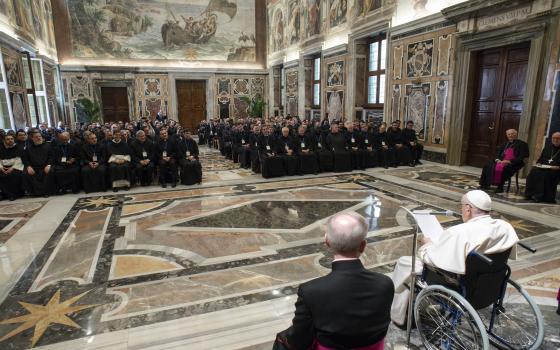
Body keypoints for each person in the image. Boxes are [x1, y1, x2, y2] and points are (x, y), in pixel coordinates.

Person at [390, 190, 519, 327]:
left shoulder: (460, 232)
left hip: (460, 285)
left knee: (405, 263)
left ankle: (397, 315)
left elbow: (432, 259)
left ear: (468, 209)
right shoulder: (505, 226)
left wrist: (428, 245)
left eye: (462, 206)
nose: (461, 209)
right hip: (490, 286)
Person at [274, 212, 394, 350]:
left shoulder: (311, 291)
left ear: (327, 242)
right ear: (363, 246)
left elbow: (298, 339)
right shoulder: (385, 283)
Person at [524, 131, 560, 203]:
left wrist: (558, 167)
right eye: (554, 138)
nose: (555, 139)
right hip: (545, 168)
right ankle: (530, 194)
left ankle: (540, 197)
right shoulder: (547, 148)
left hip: (556, 170)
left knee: (545, 175)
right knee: (533, 172)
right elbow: (540, 159)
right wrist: (539, 163)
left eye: (558, 138)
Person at [23, 132, 55, 197]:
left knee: (50, 172)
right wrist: (28, 166)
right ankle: (35, 193)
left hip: (46, 165)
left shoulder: (48, 146)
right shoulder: (28, 148)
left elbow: (52, 157)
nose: (38, 138)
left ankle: (46, 192)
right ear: (32, 138)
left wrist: (49, 165)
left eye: (39, 136)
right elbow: (25, 159)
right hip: (34, 167)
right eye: (36, 137)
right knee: (26, 173)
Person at [0, 133, 24, 200]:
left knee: (13, 175)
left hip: (16, 166)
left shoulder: (19, 147)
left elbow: (19, 160)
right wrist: (1, 167)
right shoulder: (1, 148)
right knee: (1, 175)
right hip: (3, 167)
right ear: (4, 141)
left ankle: (15, 195)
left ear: (14, 139)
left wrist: (12, 168)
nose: (10, 140)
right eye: (8, 139)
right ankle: (5, 194)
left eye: (11, 139)